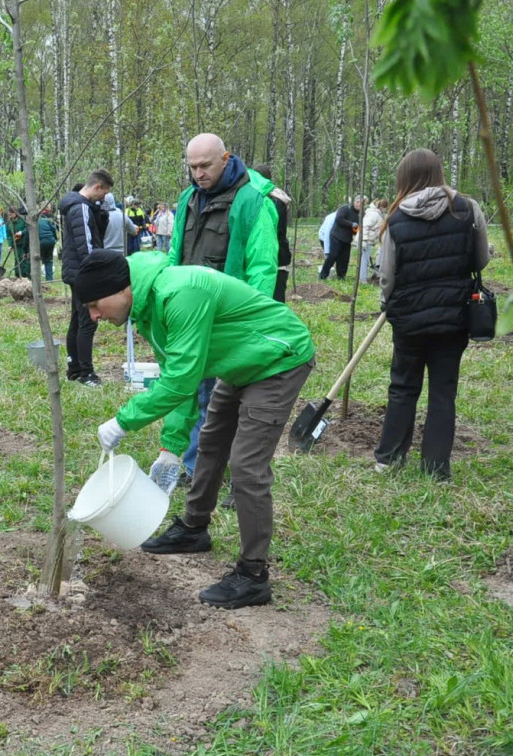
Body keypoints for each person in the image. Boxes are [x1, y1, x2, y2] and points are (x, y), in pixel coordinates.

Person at [84, 251, 315, 609]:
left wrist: (124, 420)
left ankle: (253, 575)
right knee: (210, 441)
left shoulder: (180, 292)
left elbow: (180, 382)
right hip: (240, 362)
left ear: (121, 289)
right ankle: (194, 528)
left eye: (95, 304)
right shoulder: (147, 309)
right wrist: (171, 449)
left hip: (277, 359)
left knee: (247, 466)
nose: (95, 316)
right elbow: (179, 378)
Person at [169, 134, 279, 486]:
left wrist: (252, 319)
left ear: (225, 159)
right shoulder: (187, 199)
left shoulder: (252, 202)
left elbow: (263, 265)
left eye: (204, 166)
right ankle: (194, 467)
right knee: (191, 390)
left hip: (230, 319)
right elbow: (176, 254)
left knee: (225, 401)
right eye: (192, 166)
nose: (198, 173)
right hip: (191, 318)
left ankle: (232, 471)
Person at [375, 148, 489, 480]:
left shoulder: (395, 219)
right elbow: (480, 260)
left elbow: (387, 275)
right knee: (443, 390)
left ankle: (389, 458)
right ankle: (436, 468)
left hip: (409, 318)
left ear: (405, 178)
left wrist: (387, 301)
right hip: (453, 315)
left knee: (403, 386)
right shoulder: (468, 210)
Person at [59, 169, 114, 387]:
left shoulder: (82, 206)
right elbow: (87, 246)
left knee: (77, 320)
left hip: (77, 272)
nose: (104, 198)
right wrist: (96, 274)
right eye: (105, 193)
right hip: (83, 273)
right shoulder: (80, 207)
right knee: (88, 323)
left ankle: (74, 369)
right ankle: (86, 373)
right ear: (97, 186)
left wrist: (101, 213)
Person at [251, 165, 292, 303]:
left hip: (274, 254)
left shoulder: (273, 200)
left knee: (275, 297)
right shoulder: (275, 198)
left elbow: (275, 231)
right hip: (277, 252)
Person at [321, 196, 364, 280]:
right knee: (333, 256)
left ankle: (341, 276)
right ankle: (323, 275)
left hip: (347, 239)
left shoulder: (361, 214)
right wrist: (351, 224)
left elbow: (357, 228)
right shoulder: (345, 208)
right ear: (354, 202)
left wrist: (357, 230)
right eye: (357, 202)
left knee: (344, 259)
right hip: (336, 236)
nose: (359, 204)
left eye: (361, 203)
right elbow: (339, 219)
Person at [360, 198, 388, 281]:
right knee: (364, 260)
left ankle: (363, 278)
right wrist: (363, 241)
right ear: (383, 207)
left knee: (366, 259)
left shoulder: (378, 214)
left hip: (369, 240)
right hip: (366, 239)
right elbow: (365, 226)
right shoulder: (373, 214)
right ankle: (362, 279)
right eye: (386, 208)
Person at [38, 208, 58, 281]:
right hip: (50, 240)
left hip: (41, 241)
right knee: (49, 259)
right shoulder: (48, 220)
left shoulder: (36, 221)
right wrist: (55, 239)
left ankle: (37, 278)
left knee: (38, 258)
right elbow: (54, 229)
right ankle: (49, 279)